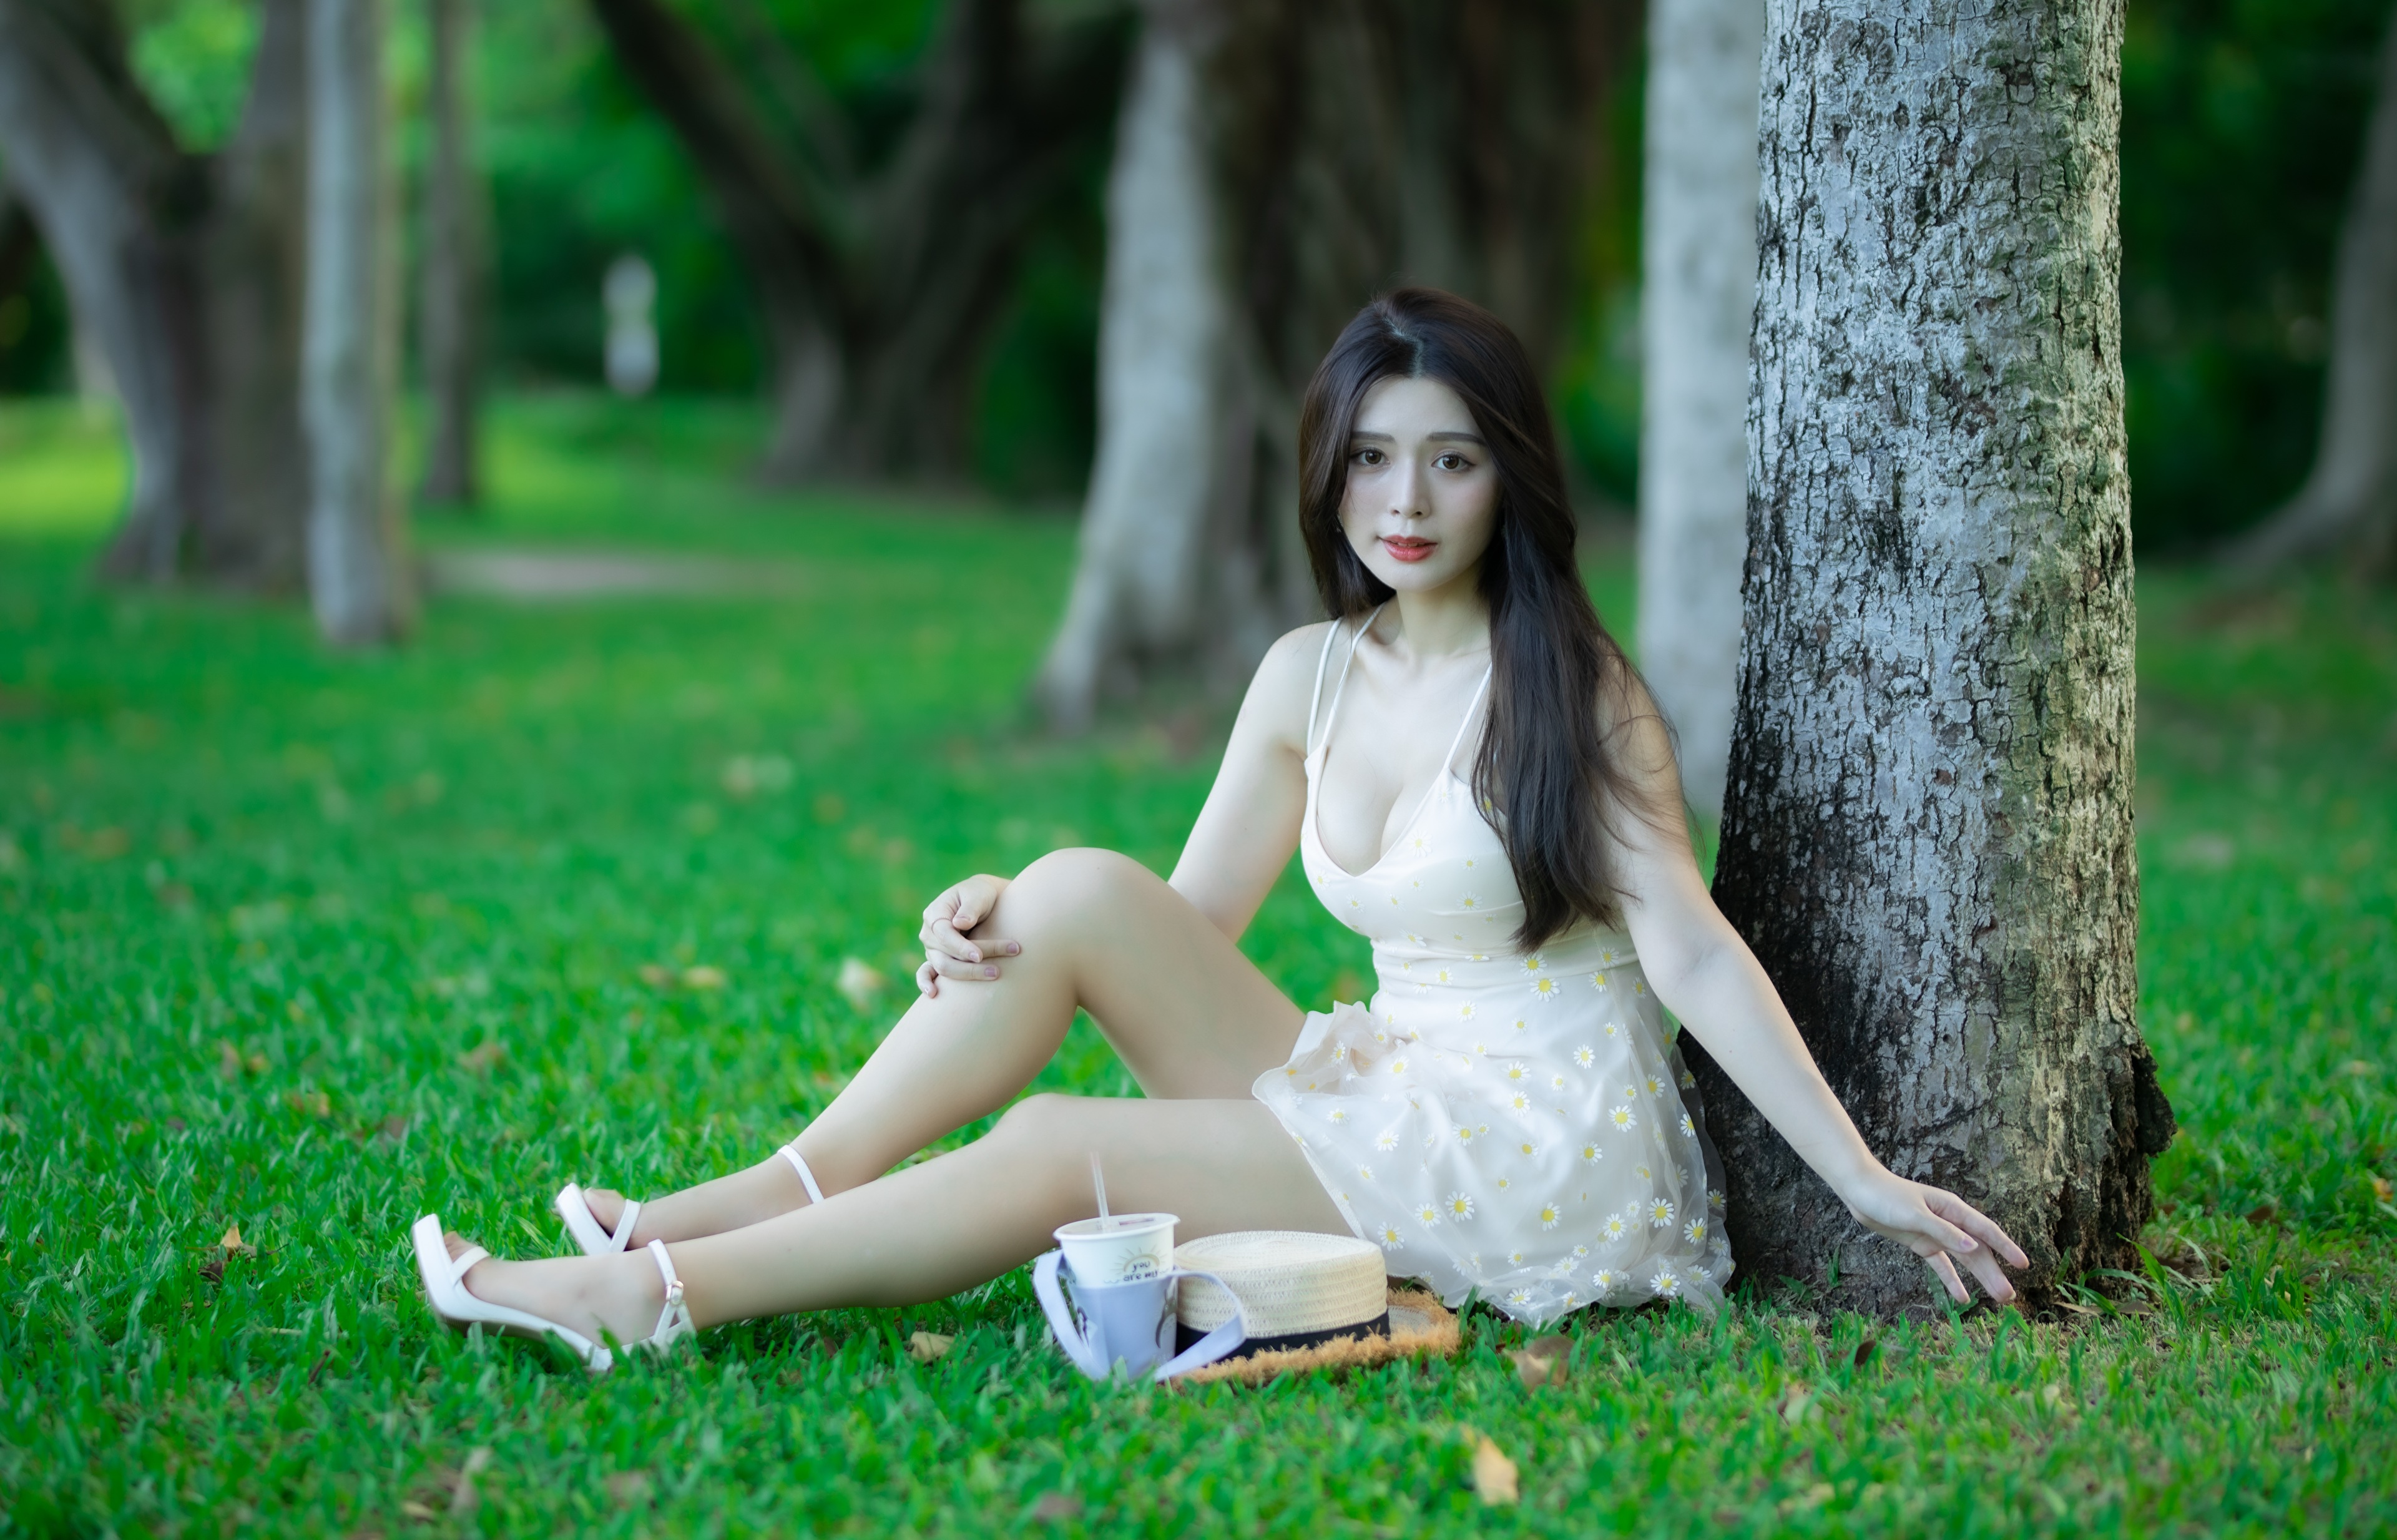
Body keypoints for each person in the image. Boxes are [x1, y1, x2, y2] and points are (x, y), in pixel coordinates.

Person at [411, 288, 2026, 1363]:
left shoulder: (1573, 693)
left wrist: (1865, 1177)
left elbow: (1687, 941)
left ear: (1507, 480)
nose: (1406, 502)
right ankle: (754, 1191)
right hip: (1393, 1079)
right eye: (1375, 459)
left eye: (1451, 463)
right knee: (1066, 891)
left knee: (1059, 1150)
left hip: (1537, 1148)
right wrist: (1004, 931)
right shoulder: (1309, 677)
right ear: (1328, 470)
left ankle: (652, 1289)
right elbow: (1165, 939)